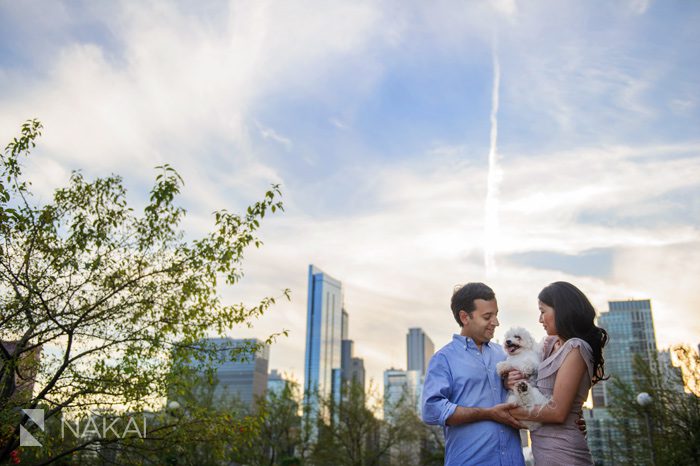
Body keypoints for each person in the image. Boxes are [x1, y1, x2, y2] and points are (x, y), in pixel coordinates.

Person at [421, 282, 526, 466]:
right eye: (488, 316)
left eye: (496, 315)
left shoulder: (505, 354)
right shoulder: (444, 359)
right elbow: (431, 409)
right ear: (464, 317)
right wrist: (487, 413)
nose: (496, 322)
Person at [509, 281, 608, 466]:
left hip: (564, 453)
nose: (540, 319)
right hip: (543, 452)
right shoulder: (549, 345)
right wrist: (511, 379)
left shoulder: (576, 348)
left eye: (543, 311)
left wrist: (508, 412)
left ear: (561, 310)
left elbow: (558, 412)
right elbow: (526, 370)